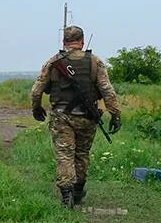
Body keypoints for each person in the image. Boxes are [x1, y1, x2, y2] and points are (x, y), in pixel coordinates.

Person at [30, 25, 123, 207]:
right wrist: (115, 114)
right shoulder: (94, 62)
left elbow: (36, 90)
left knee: (64, 155)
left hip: (61, 117)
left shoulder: (53, 62)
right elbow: (107, 91)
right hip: (87, 118)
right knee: (82, 154)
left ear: (64, 42)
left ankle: (67, 196)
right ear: (82, 41)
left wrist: (36, 108)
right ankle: (78, 191)